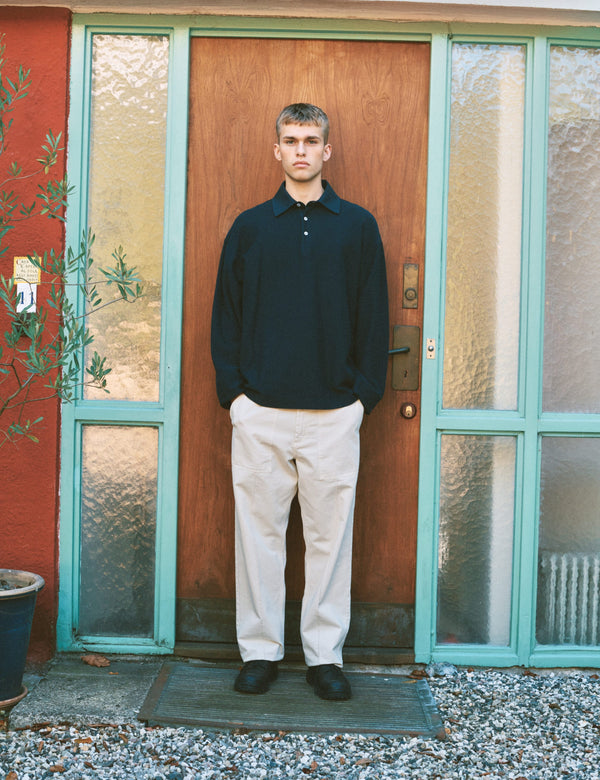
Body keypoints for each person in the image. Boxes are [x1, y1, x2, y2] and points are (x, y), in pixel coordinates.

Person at [211, 103, 389, 701]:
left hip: (335, 415)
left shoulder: (357, 227)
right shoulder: (251, 227)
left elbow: (374, 318)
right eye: (291, 140)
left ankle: (323, 656)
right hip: (260, 413)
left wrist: (363, 397)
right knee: (257, 538)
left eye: (312, 141)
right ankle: (260, 652)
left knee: (329, 541)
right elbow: (225, 320)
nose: (302, 151)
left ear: (327, 151)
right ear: (277, 150)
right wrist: (235, 397)